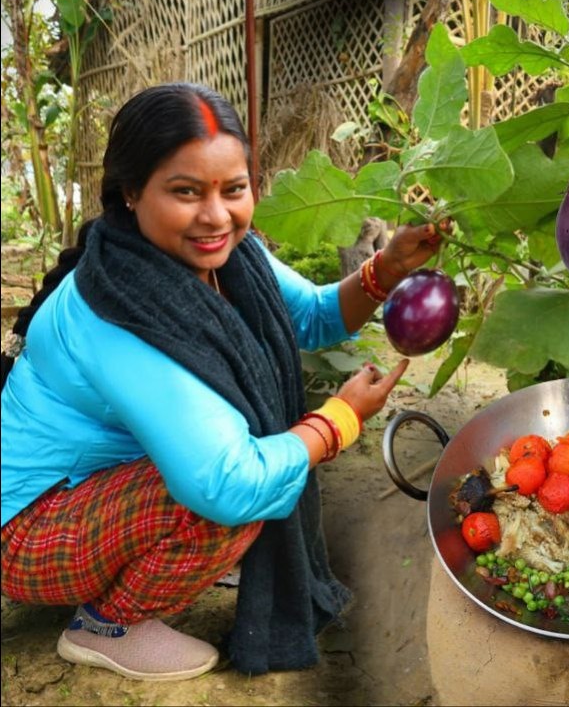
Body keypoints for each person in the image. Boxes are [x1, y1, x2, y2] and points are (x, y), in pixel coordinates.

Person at [0, 83, 446, 680]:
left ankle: (151, 564)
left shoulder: (231, 259)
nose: (216, 216)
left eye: (233, 190)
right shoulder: (117, 314)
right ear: (131, 193)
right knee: (230, 501)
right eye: (185, 192)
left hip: (97, 489)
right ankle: (108, 625)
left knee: (258, 462)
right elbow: (224, 485)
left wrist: (386, 269)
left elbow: (310, 316)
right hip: (29, 529)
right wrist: (337, 422)